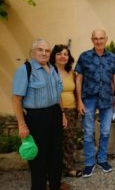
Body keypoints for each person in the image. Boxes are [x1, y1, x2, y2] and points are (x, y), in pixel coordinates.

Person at [12, 39, 68, 190]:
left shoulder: (53, 69)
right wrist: (22, 124)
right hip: (36, 117)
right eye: (40, 50)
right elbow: (17, 99)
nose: (44, 53)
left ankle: (55, 185)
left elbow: (58, 95)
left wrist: (62, 114)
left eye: (47, 50)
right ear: (33, 52)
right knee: (38, 158)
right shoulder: (25, 70)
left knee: (56, 154)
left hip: (55, 114)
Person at [75, 29, 115, 178]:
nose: (99, 41)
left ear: (106, 39)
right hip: (88, 99)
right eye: (96, 38)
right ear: (92, 40)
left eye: (101, 38)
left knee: (106, 131)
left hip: (107, 99)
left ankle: (102, 159)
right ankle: (89, 163)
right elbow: (79, 79)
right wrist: (79, 101)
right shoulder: (84, 56)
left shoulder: (112, 57)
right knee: (88, 132)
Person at [50, 44, 83, 178]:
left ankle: (68, 168)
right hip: (56, 110)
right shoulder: (50, 72)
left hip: (72, 110)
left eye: (65, 54)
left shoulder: (71, 72)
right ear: (54, 56)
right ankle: (54, 170)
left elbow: (76, 91)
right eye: (59, 54)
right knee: (55, 141)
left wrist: (79, 104)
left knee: (69, 141)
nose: (63, 56)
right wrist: (62, 113)